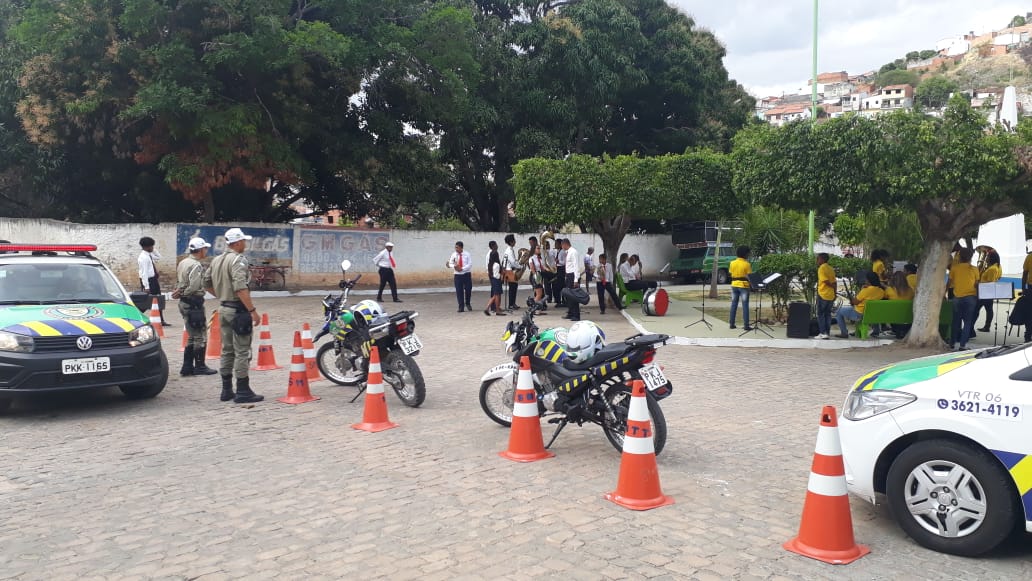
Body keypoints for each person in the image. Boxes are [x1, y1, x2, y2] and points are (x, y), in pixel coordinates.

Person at [204, 228, 263, 403]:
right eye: (243, 241)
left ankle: (226, 390)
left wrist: (222, 295)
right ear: (237, 243)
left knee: (227, 350)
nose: (245, 244)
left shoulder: (217, 260)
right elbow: (240, 288)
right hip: (238, 311)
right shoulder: (238, 260)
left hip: (223, 308)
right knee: (242, 351)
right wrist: (252, 311)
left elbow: (206, 282)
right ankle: (243, 391)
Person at [174, 237, 217, 377]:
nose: (206, 251)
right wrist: (184, 293)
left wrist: (180, 293)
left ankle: (187, 366)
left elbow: (180, 282)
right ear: (200, 250)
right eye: (205, 248)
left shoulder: (183, 262)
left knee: (192, 335)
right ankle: (200, 365)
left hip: (185, 303)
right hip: (194, 303)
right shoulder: (196, 265)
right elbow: (194, 286)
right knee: (200, 335)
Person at [834, 271, 885, 339]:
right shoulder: (881, 291)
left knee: (838, 311)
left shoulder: (866, 290)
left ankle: (844, 333)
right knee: (872, 310)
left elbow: (855, 302)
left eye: (866, 279)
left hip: (859, 314)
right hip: (873, 315)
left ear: (868, 280)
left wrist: (861, 290)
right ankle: (876, 331)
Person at [949, 247, 978, 350]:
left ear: (960, 256)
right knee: (968, 322)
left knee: (955, 321)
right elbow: (976, 284)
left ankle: (952, 343)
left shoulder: (954, 268)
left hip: (957, 297)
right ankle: (962, 345)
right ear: (971, 257)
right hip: (971, 297)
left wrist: (944, 293)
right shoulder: (974, 269)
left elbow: (949, 282)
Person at [137, 236, 170, 326]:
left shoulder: (148, 255)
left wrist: (153, 249)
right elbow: (144, 273)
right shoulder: (143, 257)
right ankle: (135, 316)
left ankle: (160, 320)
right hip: (149, 281)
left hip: (153, 280)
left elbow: (159, 257)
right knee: (146, 301)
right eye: (151, 246)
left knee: (158, 299)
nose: (153, 248)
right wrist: (146, 287)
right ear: (146, 247)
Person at [728, 246, 753, 331]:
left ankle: (731, 324)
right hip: (744, 286)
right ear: (745, 254)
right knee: (745, 305)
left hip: (734, 285)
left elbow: (731, 273)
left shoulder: (732, 263)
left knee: (734, 304)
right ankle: (746, 325)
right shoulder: (747, 264)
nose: (749, 255)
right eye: (748, 253)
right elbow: (749, 276)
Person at [977, 251, 1002, 332]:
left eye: (987, 256)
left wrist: (980, 283)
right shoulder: (997, 266)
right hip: (987, 292)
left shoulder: (992, 269)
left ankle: (973, 327)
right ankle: (987, 327)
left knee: (976, 309)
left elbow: (990, 283)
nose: (986, 258)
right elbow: (999, 277)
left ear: (991, 258)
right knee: (989, 309)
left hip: (985, 292)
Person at [561, 239, 585, 321]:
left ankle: (576, 315)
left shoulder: (573, 252)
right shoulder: (568, 252)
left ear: (565, 244)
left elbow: (576, 266)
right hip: (569, 275)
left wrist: (576, 280)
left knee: (574, 296)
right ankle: (570, 313)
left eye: (562, 245)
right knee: (568, 296)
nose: (562, 247)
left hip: (573, 276)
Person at [815, 253, 836, 339]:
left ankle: (823, 332)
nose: (817, 261)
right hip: (830, 295)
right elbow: (834, 282)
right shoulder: (831, 268)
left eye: (818, 259)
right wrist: (835, 293)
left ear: (822, 260)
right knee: (828, 314)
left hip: (823, 294)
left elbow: (825, 280)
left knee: (820, 314)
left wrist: (831, 286)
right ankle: (827, 332)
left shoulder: (821, 268)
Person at [448, 241, 473, 313]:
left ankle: (467, 303)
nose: (456, 249)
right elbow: (450, 263)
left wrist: (462, 269)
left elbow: (470, 264)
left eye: (457, 247)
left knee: (468, 289)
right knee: (459, 291)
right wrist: (455, 266)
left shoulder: (467, 254)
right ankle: (461, 306)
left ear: (461, 248)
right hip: (457, 275)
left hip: (466, 274)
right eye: (455, 247)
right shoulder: (454, 254)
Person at [484, 249, 505, 316]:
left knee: (495, 295)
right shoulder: (496, 265)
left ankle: (487, 308)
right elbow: (496, 275)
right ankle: (497, 310)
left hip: (493, 280)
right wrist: (501, 275)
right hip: (496, 281)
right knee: (497, 295)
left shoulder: (490, 264)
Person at [502, 234, 520, 311]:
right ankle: (511, 304)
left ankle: (512, 303)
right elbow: (512, 262)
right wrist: (519, 266)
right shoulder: (509, 250)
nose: (515, 242)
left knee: (514, 286)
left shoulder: (510, 249)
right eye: (514, 240)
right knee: (513, 287)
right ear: (511, 242)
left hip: (509, 269)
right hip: (509, 270)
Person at [554, 238, 568, 307]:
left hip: (561, 269)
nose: (555, 245)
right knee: (559, 286)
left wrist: (558, 261)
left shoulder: (563, 252)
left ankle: (562, 301)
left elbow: (565, 262)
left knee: (560, 286)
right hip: (558, 269)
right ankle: (561, 300)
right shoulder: (558, 251)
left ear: (560, 244)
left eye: (556, 244)